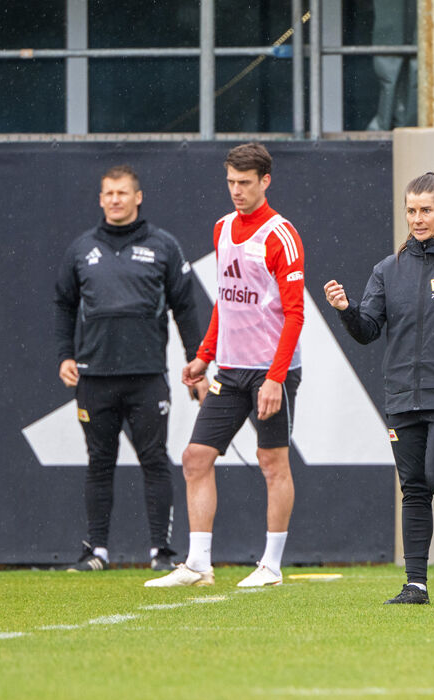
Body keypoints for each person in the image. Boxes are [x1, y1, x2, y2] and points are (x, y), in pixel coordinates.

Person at [323, 172, 434, 605]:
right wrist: (346, 310)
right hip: (402, 395)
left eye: (426, 210)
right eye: (411, 210)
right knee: (414, 487)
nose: (418, 219)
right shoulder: (388, 268)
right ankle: (415, 584)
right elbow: (367, 330)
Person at [147, 143, 305, 589]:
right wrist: (203, 355)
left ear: (265, 181)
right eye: (231, 182)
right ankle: (198, 565)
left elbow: (295, 314)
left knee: (271, 462)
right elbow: (226, 302)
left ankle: (271, 566)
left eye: (245, 183)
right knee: (196, 457)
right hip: (230, 371)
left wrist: (275, 378)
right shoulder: (222, 229)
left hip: (272, 371)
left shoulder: (281, 235)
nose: (236, 191)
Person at [54, 165, 204, 572]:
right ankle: (96, 552)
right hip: (94, 376)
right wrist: (65, 355)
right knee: (99, 461)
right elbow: (63, 305)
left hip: (146, 376)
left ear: (138, 197)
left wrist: (197, 363)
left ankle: (162, 553)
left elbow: (186, 308)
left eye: (123, 193)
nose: (115, 199)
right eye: (108, 193)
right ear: (101, 199)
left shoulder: (163, 246)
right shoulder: (81, 249)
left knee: (155, 460)